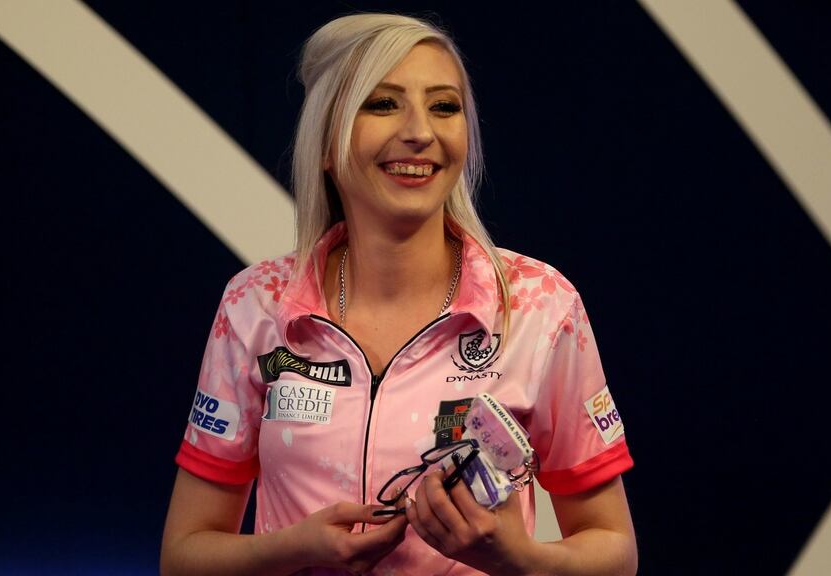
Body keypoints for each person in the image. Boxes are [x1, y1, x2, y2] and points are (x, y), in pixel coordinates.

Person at [161, 12, 637, 576]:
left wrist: (520, 559)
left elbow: (616, 551)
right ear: (325, 143)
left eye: (444, 106)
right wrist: (293, 549)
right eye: (383, 103)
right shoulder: (256, 303)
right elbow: (184, 555)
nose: (420, 131)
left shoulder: (539, 305)